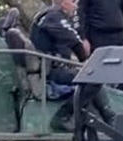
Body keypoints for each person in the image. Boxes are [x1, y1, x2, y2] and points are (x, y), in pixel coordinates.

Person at [31, 0, 114, 131]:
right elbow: (75, 42)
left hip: (55, 67)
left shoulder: (50, 16)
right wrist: (85, 62)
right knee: (93, 77)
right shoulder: (53, 16)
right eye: (73, 2)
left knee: (92, 76)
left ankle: (109, 117)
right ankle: (62, 116)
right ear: (63, 3)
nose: (75, 6)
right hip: (52, 72)